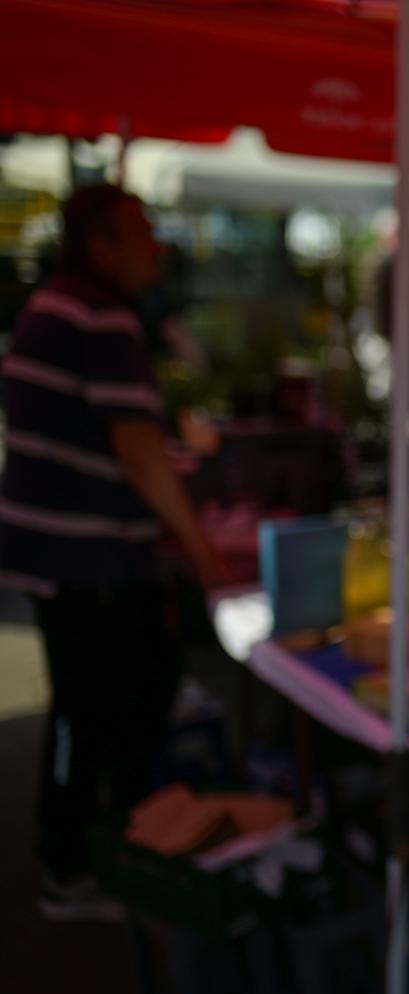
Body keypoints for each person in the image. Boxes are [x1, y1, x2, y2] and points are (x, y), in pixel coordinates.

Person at [0, 185, 225, 920]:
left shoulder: (64, 305)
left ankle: (104, 848)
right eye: (142, 234)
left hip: (74, 551)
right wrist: (199, 545)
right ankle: (76, 864)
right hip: (85, 560)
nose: (156, 247)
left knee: (111, 699)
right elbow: (136, 451)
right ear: (102, 244)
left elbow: (123, 444)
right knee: (99, 709)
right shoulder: (97, 314)